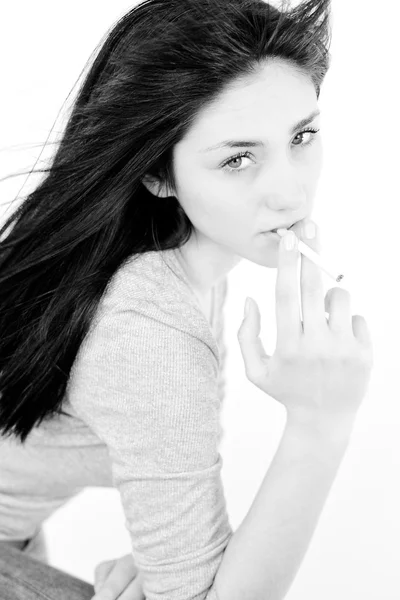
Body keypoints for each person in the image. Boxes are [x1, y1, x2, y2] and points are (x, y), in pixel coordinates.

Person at [0, 0, 374, 599]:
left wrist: (170, 558)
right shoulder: (146, 326)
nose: (290, 191)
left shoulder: (190, 264)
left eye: (302, 135)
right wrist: (320, 423)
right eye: (238, 158)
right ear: (159, 174)